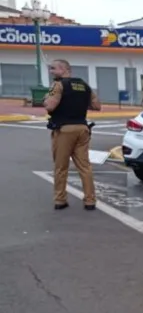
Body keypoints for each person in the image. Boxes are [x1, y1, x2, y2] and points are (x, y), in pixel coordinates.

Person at [43, 59, 101, 211]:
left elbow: (50, 106)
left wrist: (45, 99)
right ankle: (90, 201)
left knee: (61, 167)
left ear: (64, 69)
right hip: (82, 128)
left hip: (64, 129)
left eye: (53, 69)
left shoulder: (57, 85)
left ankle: (60, 200)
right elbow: (97, 105)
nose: (51, 72)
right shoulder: (84, 85)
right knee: (85, 167)